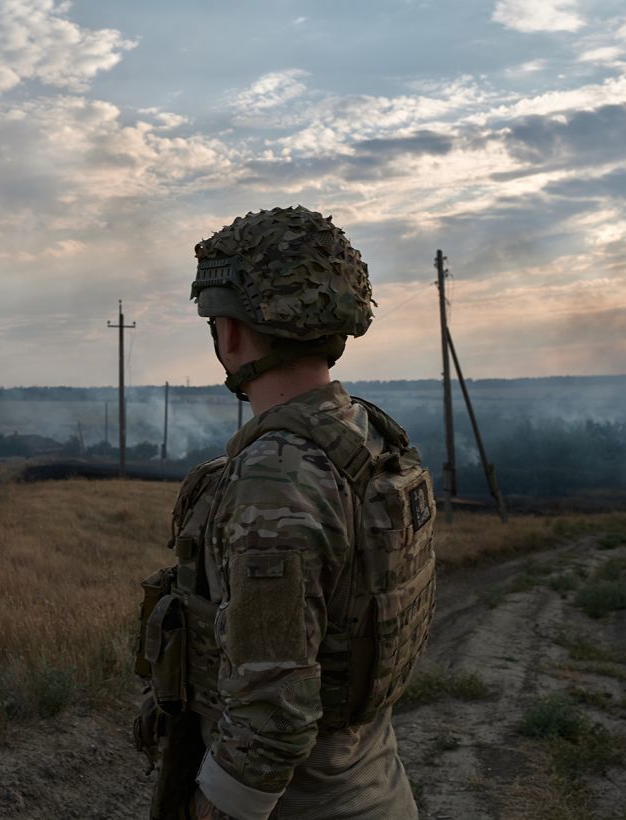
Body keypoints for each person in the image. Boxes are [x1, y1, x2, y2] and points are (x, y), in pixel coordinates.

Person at [134, 206, 438, 820]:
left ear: (234, 333)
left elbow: (272, 719)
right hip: (376, 787)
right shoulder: (368, 438)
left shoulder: (277, 475)